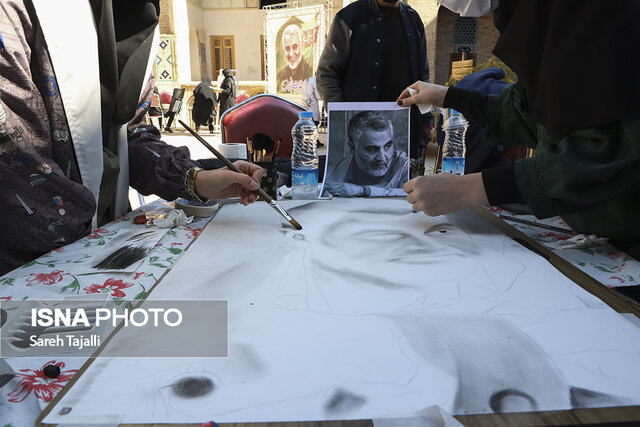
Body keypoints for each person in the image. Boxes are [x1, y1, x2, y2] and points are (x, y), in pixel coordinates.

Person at [0, 0, 263, 276]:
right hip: (31, 269)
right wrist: (107, 237)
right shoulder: (15, 10)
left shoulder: (132, 14)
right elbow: (15, 161)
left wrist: (196, 179)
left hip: (106, 247)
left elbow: (130, 136)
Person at [398, 0, 640, 258]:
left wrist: (471, 189)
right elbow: (537, 113)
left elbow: (611, 152)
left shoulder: (597, 15)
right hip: (600, 235)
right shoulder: (539, 14)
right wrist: (449, 97)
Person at [316, 0, 430, 171]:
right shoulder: (350, 17)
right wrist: (341, 114)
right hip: (361, 137)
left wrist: (425, 123)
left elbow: (423, 78)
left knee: (404, 193)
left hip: (407, 134)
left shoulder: (414, 20)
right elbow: (327, 73)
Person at [323, 111, 408, 197]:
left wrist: (363, 190)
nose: (382, 158)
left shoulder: (403, 164)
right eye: (371, 150)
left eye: (387, 147)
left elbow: (410, 193)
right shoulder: (333, 176)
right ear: (352, 148)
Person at [277, 24, 314, 94]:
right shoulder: (281, 74)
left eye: (294, 47)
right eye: (287, 48)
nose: (291, 53)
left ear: (301, 46)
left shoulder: (310, 72)